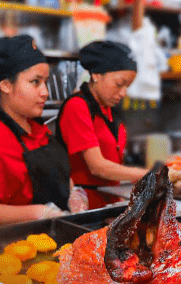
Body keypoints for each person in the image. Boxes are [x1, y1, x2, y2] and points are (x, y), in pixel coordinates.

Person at [0, 35, 87, 227]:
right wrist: (38, 213)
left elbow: (53, 172)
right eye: (35, 82)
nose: (45, 92)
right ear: (5, 85)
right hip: (19, 245)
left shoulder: (37, 126)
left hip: (57, 233)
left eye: (45, 82)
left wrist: (73, 193)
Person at [56, 40, 147, 208]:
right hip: (83, 206)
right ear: (96, 74)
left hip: (109, 202)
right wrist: (147, 174)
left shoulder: (109, 109)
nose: (123, 93)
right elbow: (97, 167)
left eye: (128, 86)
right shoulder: (77, 106)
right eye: (119, 84)